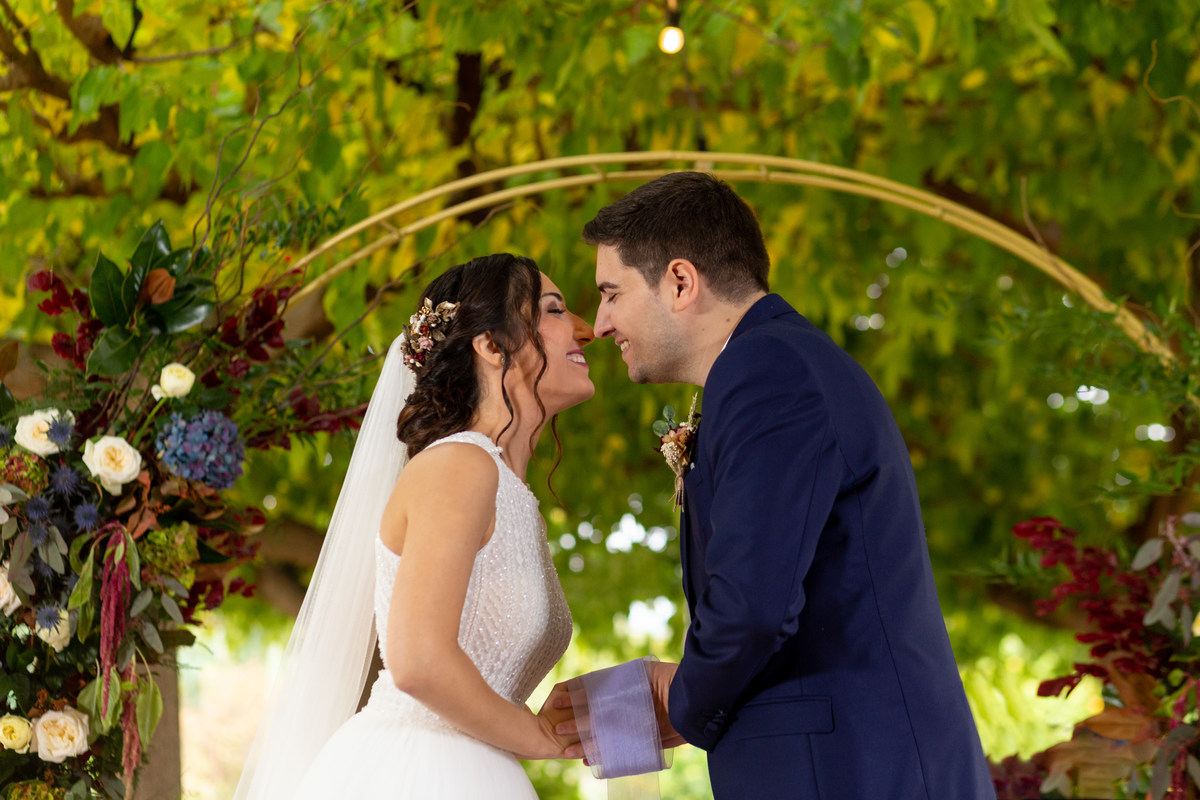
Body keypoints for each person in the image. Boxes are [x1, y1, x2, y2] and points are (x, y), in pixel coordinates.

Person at [576, 172, 995, 799]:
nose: (601, 323)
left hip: (853, 774)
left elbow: (751, 609)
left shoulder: (766, 369)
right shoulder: (772, 363)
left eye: (612, 293)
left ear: (681, 282)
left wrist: (676, 705)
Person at [234, 253, 595, 799]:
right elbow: (419, 660)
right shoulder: (460, 465)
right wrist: (539, 738)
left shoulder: (508, 491)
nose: (585, 329)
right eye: (554, 310)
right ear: (491, 346)